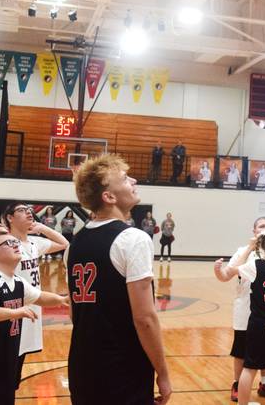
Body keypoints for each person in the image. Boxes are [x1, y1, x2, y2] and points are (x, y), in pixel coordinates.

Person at [68, 154, 171, 404]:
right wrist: (163, 373)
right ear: (109, 197)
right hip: (121, 369)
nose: (133, 180)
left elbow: (74, 313)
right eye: (125, 179)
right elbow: (144, 318)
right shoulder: (133, 239)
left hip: (81, 365)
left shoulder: (74, 245)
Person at [0, 232, 69, 405]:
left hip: (4, 370)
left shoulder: (16, 282)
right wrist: (15, 313)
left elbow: (39, 296)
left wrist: (62, 300)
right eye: (8, 243)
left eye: (15, 241)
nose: (15, 244)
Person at [214, 216, 265, 402]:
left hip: (260, 317)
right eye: (261, 225)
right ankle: (237, 385)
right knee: (248, 355)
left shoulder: (257, 265)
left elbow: (231, 271)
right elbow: (227, 274)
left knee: (251, 365)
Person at [0, 202, 69, 389]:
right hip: (11, 309)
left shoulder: (35, 243)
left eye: (30, 211)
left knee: (16, 368)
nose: (28, 213)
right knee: (4, 366)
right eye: (21, 210)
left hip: (31, 307)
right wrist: (3, 231)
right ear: (10, 218)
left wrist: (42, 227)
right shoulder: (7, 243)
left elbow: (64, 243)